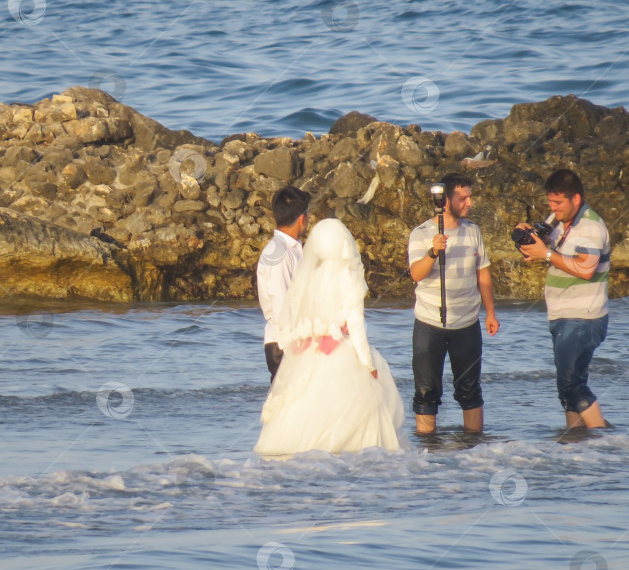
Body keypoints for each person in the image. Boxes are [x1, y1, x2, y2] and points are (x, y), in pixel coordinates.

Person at [254, 218, 406, 456]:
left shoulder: (311, 276)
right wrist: (367, 363)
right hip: (340, 352)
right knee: (355, 420)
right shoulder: (348, 277)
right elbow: (355, 324)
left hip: (309, 353)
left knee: (309, 411)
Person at [516, 168, 610, 429]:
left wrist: (544, 254)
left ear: (576, 199)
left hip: (583, 317)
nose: (553, 209)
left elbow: (585, 268)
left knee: (571, 385)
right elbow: (556, 252)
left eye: (558, 203)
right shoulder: (561, 222)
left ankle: (604, 438)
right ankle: (576, 441)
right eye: (550, 203)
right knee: (568, 388)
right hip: (563, 316)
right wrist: (532, 240)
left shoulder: (589, 227)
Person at [408, 172, 499, 434]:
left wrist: (490, 312)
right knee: (426, 393)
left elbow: (483, 272)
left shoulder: (473, 231)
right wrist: (433, 251)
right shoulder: (422, 233)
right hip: (428, 324)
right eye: (463, 198)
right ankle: (427, 451)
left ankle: (473, 448)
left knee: (470, 390)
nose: (470, 202)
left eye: (470, 197)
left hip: (467, 324)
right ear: (445, 201)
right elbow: (416, 274)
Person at [256, 185, 310, 382]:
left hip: (294, 341)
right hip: (284, 345)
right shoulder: (279, 253)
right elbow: (280, 306)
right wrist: (293, 352)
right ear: (303, 218)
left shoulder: (292, 249)